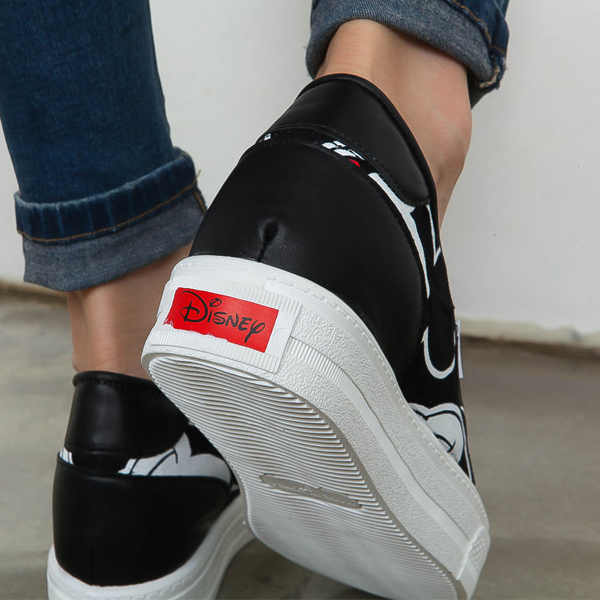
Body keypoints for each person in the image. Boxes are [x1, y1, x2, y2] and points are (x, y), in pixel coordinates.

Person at [0, 1, 509, 598]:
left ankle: (130, 380)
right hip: (345, 198)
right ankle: (391, 111)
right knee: (401, 73)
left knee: (122, 296)